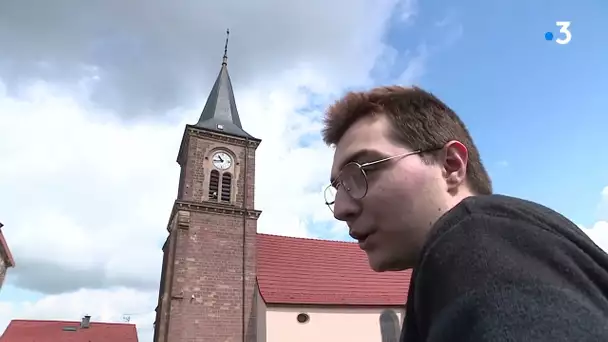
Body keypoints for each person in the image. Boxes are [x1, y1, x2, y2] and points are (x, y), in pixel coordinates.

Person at [322, 86, 608, 341]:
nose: (341, 209)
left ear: (451, 166)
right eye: (338, 187)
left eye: (363, 171)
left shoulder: (476, 234)